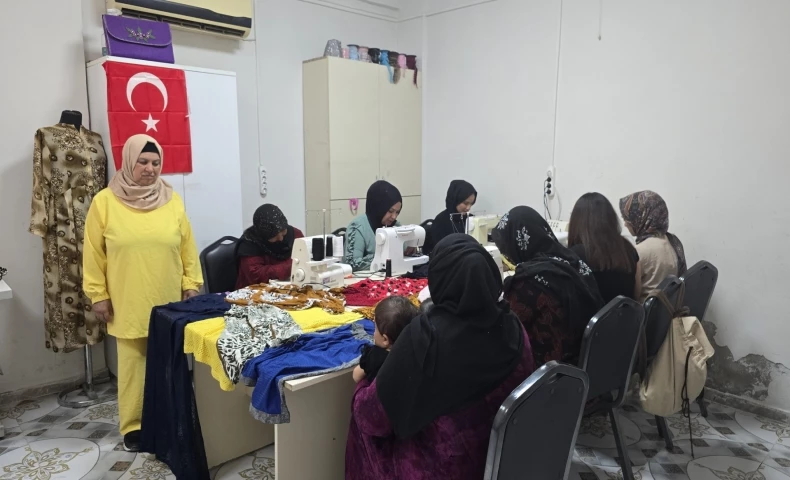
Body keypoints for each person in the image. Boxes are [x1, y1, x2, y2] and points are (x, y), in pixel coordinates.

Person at [345, 234, 534, 480]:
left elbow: (371, 418)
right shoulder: (512, 325)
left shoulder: (425, 339)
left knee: (362, 418)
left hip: (448, 467)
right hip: (502, 455)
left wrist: (366, 381)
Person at [83, 134, 203, 452]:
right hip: (128, 298)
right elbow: (93, 253)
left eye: (156, 162)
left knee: (169, 361)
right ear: (128, 162)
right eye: (143, 161)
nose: (150, 168)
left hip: (168, 297)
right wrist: (98, 294)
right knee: (133, 366)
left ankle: (169, 415)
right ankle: (134, 425)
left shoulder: (171, 199)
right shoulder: (105, 202)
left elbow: (187, 246)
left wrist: (191, 283)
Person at [492, 206, 603, 367]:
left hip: (552, 372)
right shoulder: (573, 262)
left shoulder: (526, 283)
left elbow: (508, 331)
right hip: (589, 358)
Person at [568, 192, 641, 302]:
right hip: (625, 312)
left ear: (576, 222)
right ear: (611, 219)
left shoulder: (573, 256)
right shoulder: (628, 248)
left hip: (591, 313)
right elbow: (637, 294)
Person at [619, 190, 687, 302]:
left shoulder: (639, 251)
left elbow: (632, 296)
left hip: (646, 311)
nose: (625, 224)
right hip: (670, 307)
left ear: (641, 217)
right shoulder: (673, 241)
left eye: (628, 218)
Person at [235, 204, 304, 288]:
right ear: (264, 235)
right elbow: (255, 275)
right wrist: (289, 268)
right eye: (274, 235)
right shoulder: (249, 244)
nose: (281, 238)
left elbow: (305, 258)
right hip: (255, 290)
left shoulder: (295, 234)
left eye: (283, 231)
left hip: (289, 286)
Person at [352, 296, 418, 383]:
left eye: (375, 328)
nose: (374, 333)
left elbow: (356, 376)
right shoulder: (418, 349)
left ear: (385, 339)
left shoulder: (375, 356)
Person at [344, 180, 403, 271]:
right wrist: (383, 256)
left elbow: (404, 255)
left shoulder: (396, 227)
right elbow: (353, 264)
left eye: (397, 212)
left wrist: (411, 249)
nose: (394, 217)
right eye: (390, 211)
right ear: (378, 207)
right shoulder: (358, 228)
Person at [424, 180, 477, 254]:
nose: (468, 208)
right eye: (465, 203)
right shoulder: (441, 221)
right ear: (455, 200)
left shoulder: (470, 219)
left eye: (471, 204)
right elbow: (441, 251)